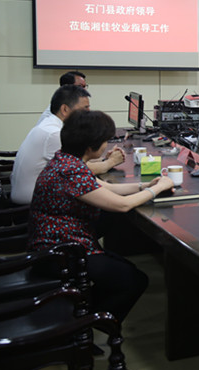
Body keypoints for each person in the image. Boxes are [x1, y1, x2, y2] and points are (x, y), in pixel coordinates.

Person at [28, 110, 174, 322]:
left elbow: (106, 188)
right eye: (105, 141)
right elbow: (122, 205)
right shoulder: (71, 172)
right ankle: (84, 323)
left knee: (126, 268)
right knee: (133, 280)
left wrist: (145, 185)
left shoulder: (66, 160)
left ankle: (83, 315)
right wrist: (158, 188)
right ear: (91, 147)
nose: (106, 145)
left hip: (59, 243)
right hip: (61, 253)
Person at [11, 85, 124, 205]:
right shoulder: (54, 134)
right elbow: (81, 170)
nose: (88, 112)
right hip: (31, 203)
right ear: (65, 109)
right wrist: (111, 162)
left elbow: (77, 161)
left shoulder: (49, 124)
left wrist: (104, 159)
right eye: (85, 108)